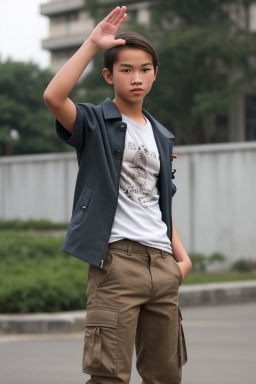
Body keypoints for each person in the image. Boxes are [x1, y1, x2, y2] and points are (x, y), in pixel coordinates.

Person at [44, 6, 192, 384]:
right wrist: (93, 44)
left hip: (162, 264)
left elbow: (159, 201)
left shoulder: (162, 136)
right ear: (110, 76)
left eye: (145, 69)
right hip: (116, 263)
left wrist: (181, 260)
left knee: (167, 376)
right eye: (126, 70)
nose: (136, 77)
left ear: (155, 74)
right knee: (108, 376)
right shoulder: (95, 122)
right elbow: (53, 96)